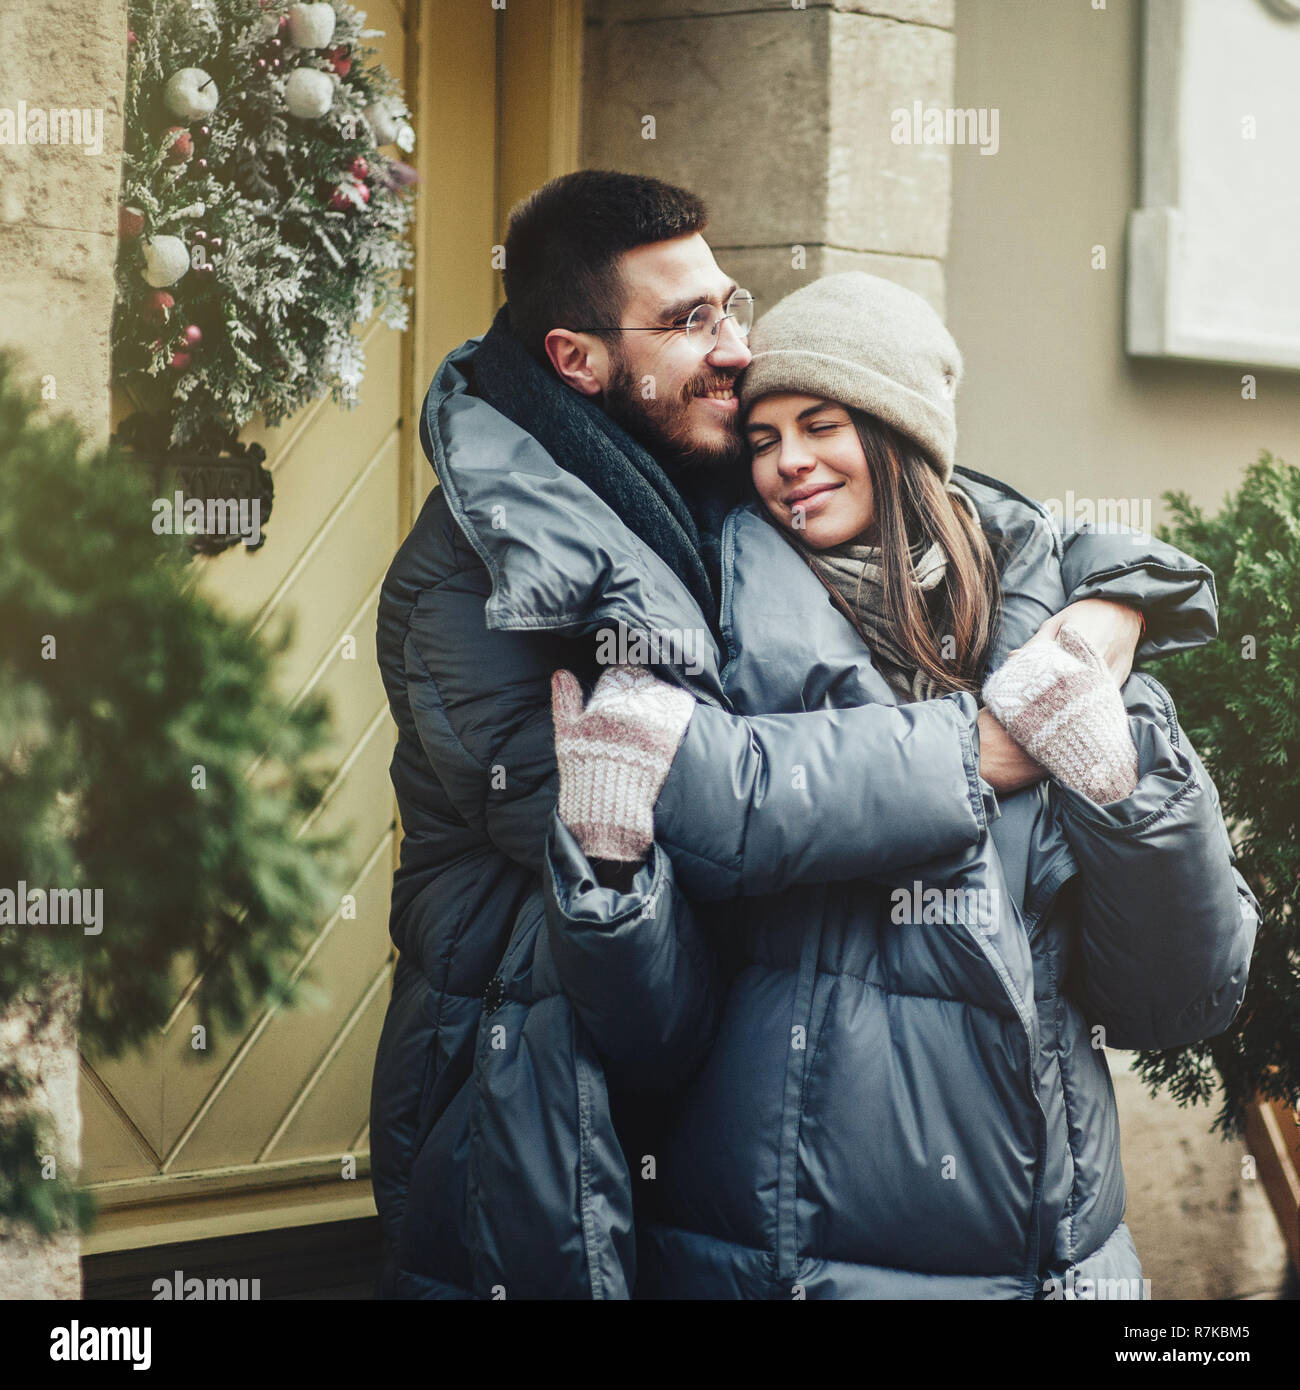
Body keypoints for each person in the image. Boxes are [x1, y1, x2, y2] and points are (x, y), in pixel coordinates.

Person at [370, 170, 1225, 1299]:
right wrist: (979, 747)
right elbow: (704, 804)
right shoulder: (486, 575)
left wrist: (1114, 600)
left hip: (1045, 1244)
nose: (733, 351)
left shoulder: (719, 483)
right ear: (578, 359)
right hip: (540, 1129)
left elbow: (962, 494)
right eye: (689, 322)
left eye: (732, 305)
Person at [544, 272, 1259, 1299]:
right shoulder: (712, 639)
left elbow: (1176, 996)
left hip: (1055, 1254)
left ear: (900, 433)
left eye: (821, 424)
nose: (787, 462)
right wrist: (612, 877)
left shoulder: (1060, 629)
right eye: (761, 437)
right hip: (786, 1255)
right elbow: (652, 1036)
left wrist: (1120, 790)